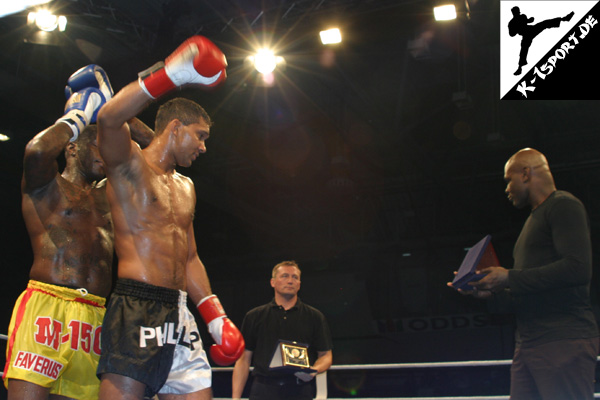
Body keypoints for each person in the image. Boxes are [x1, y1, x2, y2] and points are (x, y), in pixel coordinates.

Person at [95, 35, 244, 400]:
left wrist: (215, 316)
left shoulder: (186, 187)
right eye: (200, 136)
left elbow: (189, 256)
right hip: (136, 307)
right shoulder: (129, 166)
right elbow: (109, 118)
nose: (204, 147)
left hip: (179, 312)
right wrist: (170, 75)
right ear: (175, 128)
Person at [2, 65, 155, 400]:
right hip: (47, 304)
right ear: (71, 148)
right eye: (96, 145)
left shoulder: (110, 195)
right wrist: (77, 118)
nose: (105, 153)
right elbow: (37, 151)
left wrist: (113, 107)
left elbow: (156, 151)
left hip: (96, 314)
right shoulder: (46, 188)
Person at [452, 148, 599, 400]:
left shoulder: (563, 205)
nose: (507, 188)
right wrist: (487, 292)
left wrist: (508, 277)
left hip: (561, 339)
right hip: (528, 344)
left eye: (509, 180)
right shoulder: (531, 222)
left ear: (526, 173)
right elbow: (526, 291)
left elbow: (578, 268)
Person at [232, 261, 333, 400]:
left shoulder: (314, 316)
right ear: (273, 282)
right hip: (263, 390)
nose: (290, 281)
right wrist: (235, 398)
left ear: (299, 284)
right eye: (285, 276)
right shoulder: (254, 316)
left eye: (295, 277)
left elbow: (326, 355)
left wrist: (313, 370)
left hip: (300, 390)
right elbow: (243, 359)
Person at [508, 6, 574, 75]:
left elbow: (528, 21)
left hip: (531, 30)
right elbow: (511, 34)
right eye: (516, 12)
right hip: (526, 35)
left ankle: (564, 19)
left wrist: (530, 20)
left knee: (544, 23)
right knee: (523, 50)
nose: (517, 13)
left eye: (518, 12)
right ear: (514, 13)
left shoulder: (521, 17)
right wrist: (515, 28)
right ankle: (519, 68)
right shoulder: (512, 23)